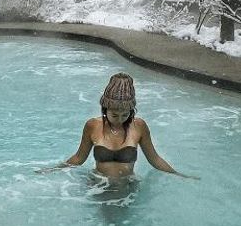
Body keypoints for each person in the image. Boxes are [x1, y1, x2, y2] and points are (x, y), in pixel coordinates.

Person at [39, 72, 196, 179]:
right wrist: (53, 169)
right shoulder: (92, 126)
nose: (119, 119)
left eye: (125, 115)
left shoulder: (139, 126)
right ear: (105, 109)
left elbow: (154, 159)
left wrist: (179, 175)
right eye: (114, 115)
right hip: (99, 184)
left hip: (127, 186)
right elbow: (79, 158)